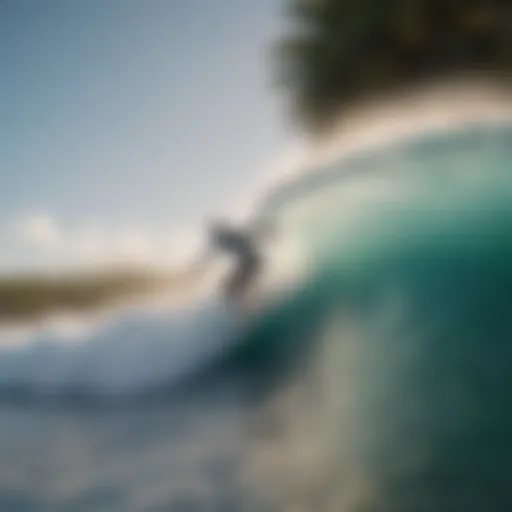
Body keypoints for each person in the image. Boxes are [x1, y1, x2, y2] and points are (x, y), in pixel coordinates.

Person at [208, 220, 263, 300]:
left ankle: (249, 298)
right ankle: (250, 296)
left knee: (232, 287)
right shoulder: (232, 236)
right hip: (252, 261)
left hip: (250, 262)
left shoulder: (227, 238)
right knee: (233, 287)